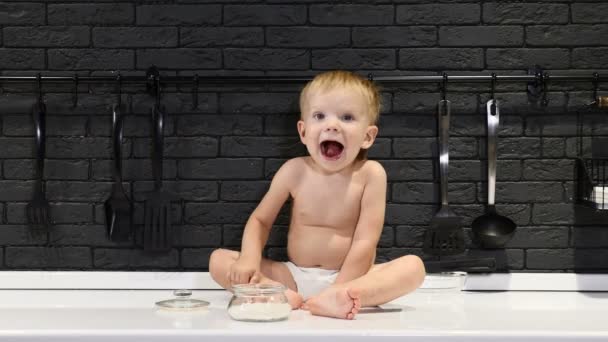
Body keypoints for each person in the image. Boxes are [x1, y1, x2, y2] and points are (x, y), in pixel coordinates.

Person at [209, 70, 426, 320]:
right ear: (303, 132)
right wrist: (248, 258)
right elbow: (260, 221)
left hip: (352, 277)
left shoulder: (370, 174)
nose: (331, 125)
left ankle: (341, 298)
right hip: (292, 276)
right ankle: (275, 293)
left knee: (414, 268)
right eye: (320, 116)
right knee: (220, 260)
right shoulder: (294, 170)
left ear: (368, 136)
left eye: (346, 117)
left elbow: (365, 242)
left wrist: (340, 287)